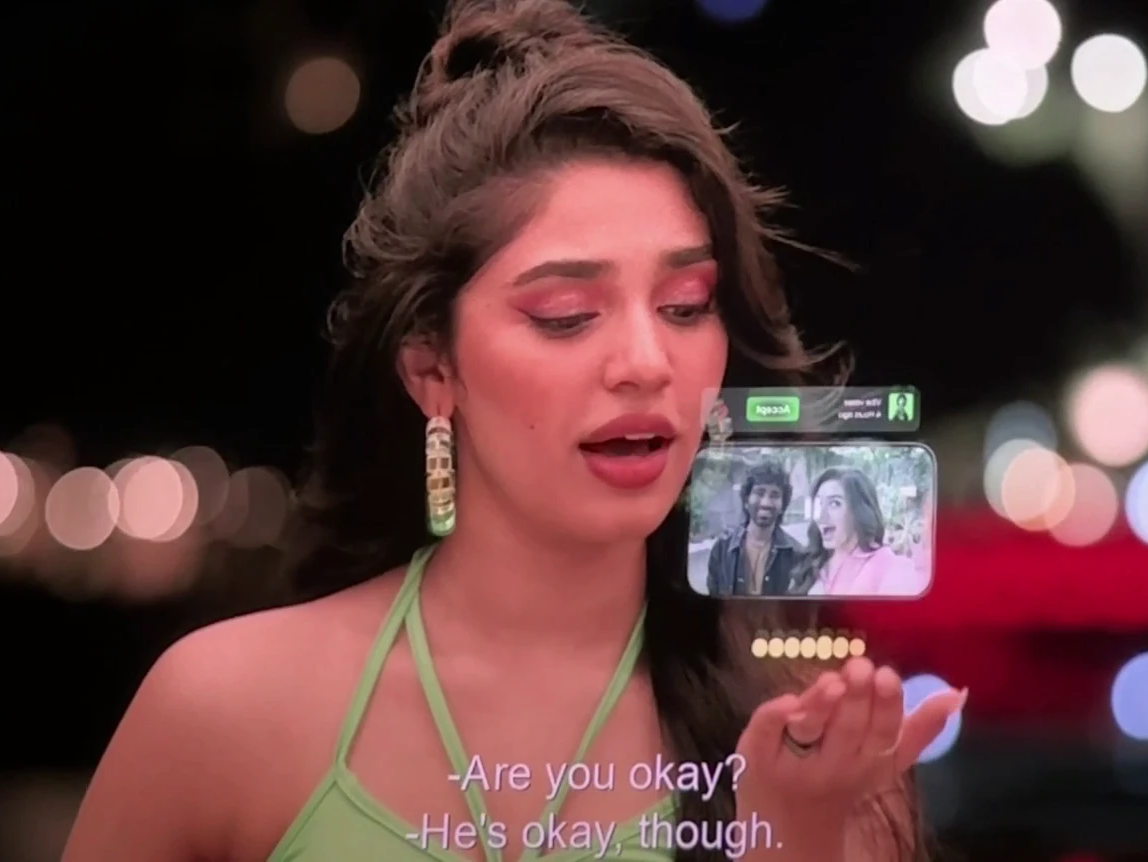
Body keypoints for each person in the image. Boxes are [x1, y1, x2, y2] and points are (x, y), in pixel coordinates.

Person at [61, 2, 962, 862]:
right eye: (567, 314)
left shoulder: (814, 746)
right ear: (432, 371)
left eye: (686, 305)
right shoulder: (223, 711)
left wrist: (794, 834)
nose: (646, 361)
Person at [792, 467, 923, 598]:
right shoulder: (812, 561)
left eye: (835, 503)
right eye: (820, 504)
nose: (821, 517)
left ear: (859, 511)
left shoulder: (891, 568)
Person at [705, 459, 805, 596]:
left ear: (783, 505)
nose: (766, 503)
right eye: (759, 492)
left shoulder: (797, 555)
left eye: (775, 495)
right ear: (746, 500)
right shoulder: (721, 549)